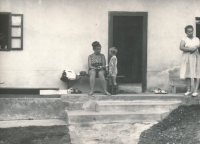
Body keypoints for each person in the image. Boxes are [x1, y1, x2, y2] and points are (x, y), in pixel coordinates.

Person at [180, 25, 200, 96]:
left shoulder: (197, 39)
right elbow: (181, 47)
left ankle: (195, 91)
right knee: (187, 73)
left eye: (191, 31)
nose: (190, 33)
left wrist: (196, 49)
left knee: (196, 73)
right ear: (186, 32)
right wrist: (190, 49)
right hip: (187, 57)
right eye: (188, 31)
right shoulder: (184, 38)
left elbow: (198, 47)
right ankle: (188, 90)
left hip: (195, 56)